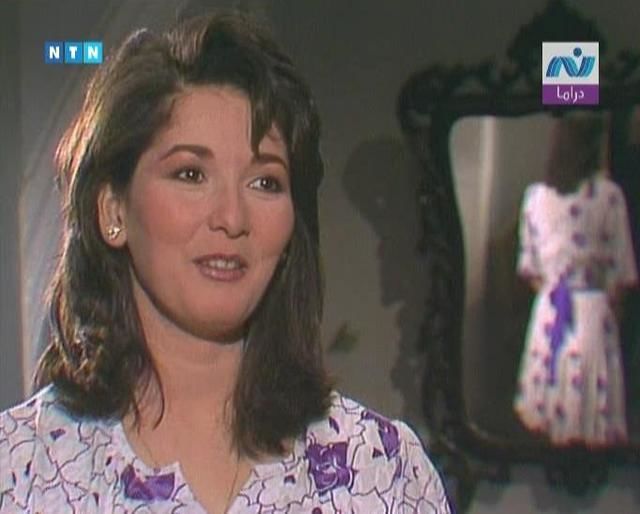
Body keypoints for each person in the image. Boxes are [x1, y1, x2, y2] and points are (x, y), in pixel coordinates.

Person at [0, 11, 451, 514]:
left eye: (265, 182)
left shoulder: (384, 469)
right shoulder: (20, 470)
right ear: (112, 211)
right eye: (191, 174)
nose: (233, 218)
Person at [514, 114, 638, 447]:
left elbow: (530, 268)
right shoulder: (598, 197)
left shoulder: (598, 197)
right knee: (571, 416)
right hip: (573, 311)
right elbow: (620, 272)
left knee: (567, 415)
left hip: (570, 312)